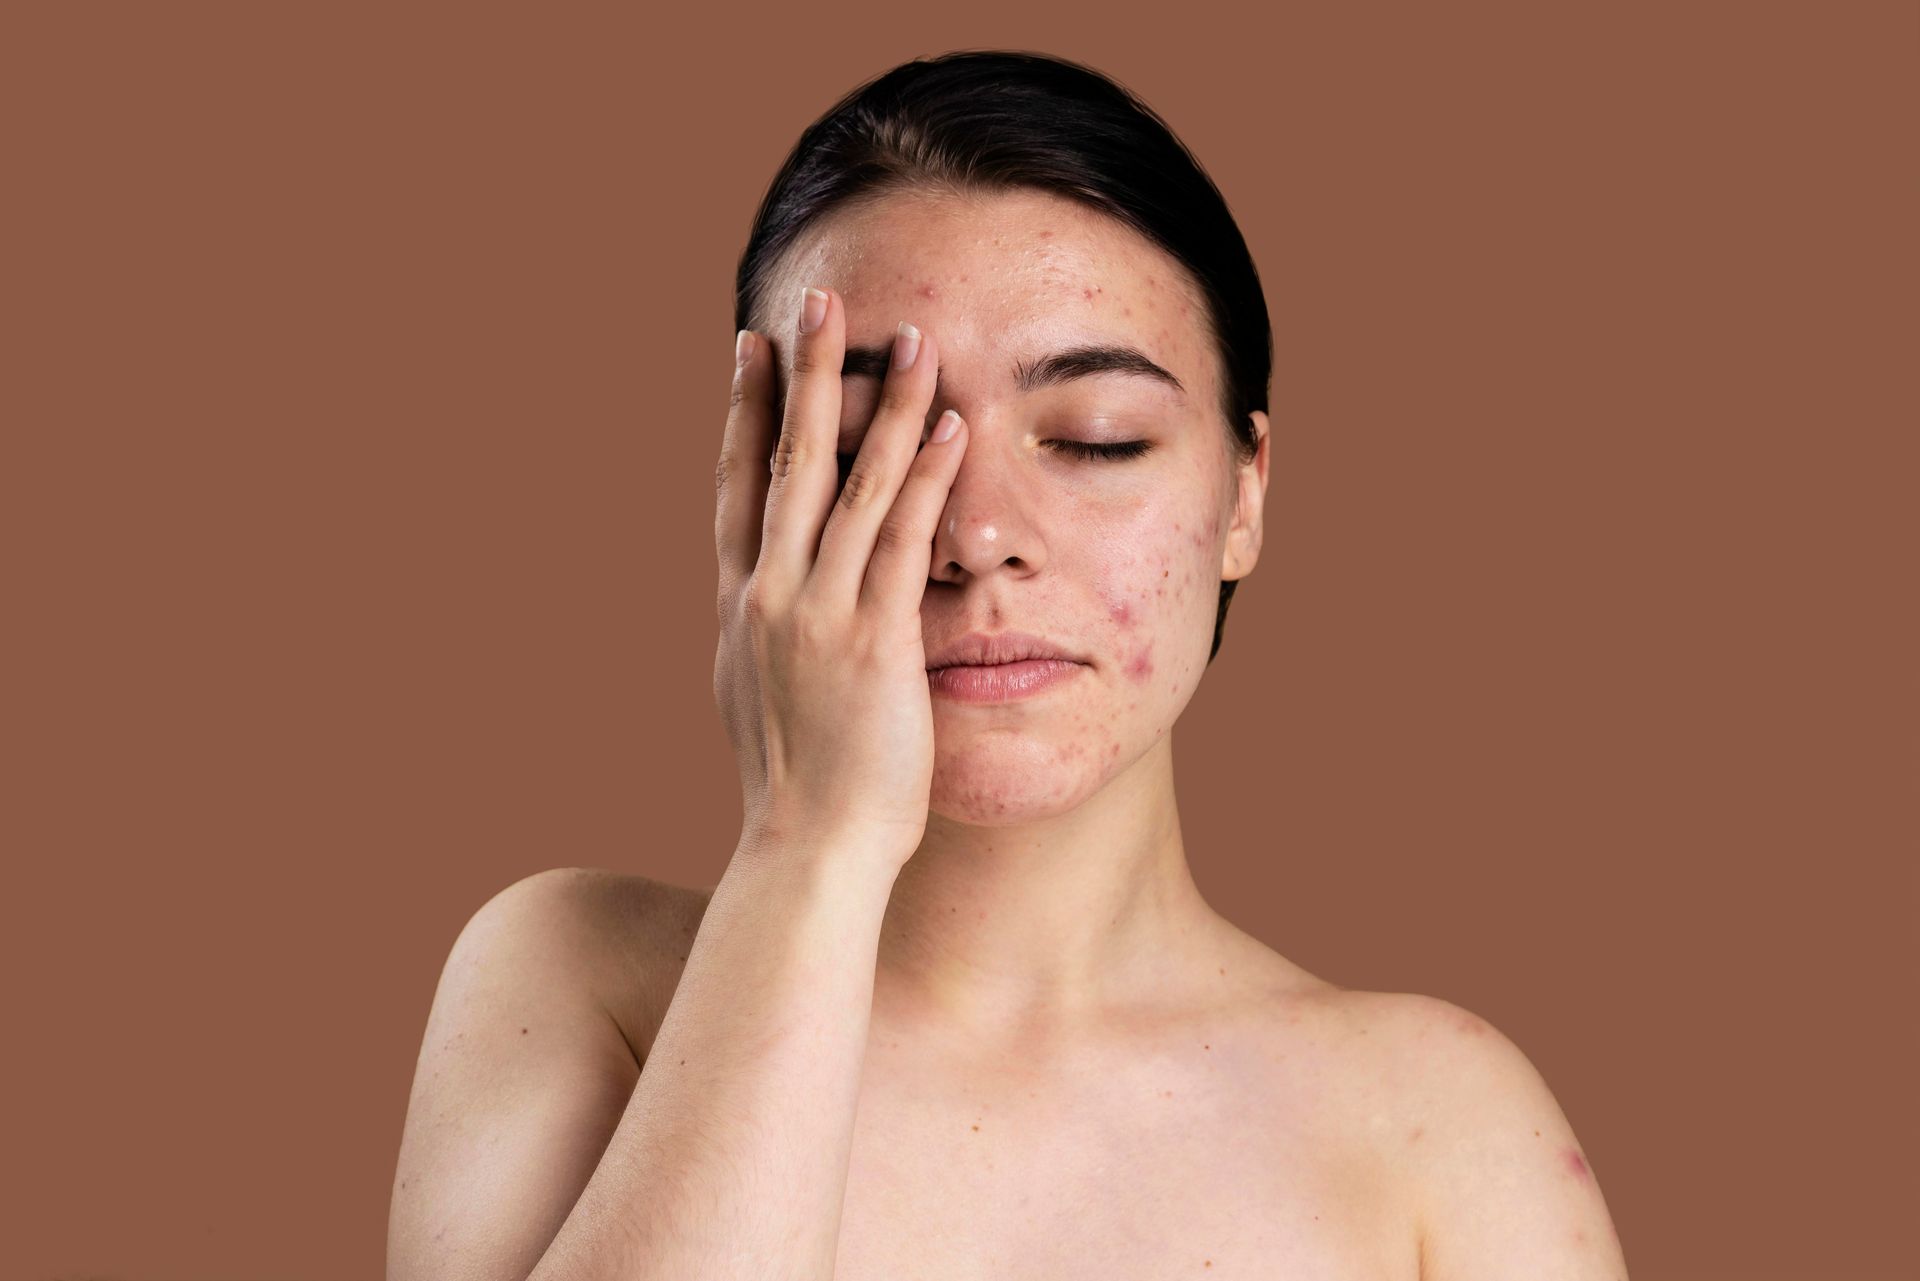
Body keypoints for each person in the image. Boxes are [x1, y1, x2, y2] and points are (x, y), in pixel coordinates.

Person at [387, 49, 1630, 1279]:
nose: (977, 537)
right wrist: (809, 846)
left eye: (1096, 440)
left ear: (1246, 495)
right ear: (756, 485)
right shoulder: (573, 978)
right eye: (869, 445)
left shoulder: (1441, 1125)